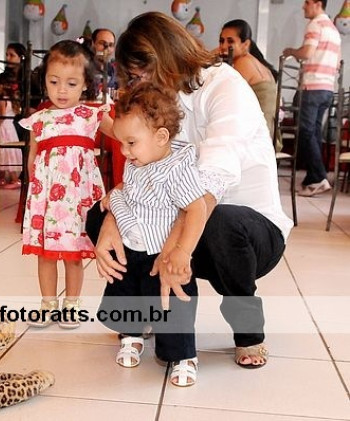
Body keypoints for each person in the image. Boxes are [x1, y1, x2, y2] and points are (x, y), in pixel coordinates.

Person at [89, 11, 293, 369]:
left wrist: (176, 248)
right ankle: (144, 313)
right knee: (100, 215)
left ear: (164, 57)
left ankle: (248, 332)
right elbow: (144, 174)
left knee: (220, 222)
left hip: (247, 233)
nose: (138, 85)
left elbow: (210, 187)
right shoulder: (161, 104)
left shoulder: (225, 87)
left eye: (141, 74)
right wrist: (112, 221)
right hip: (187, 219)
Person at [95, 82, 207, 386]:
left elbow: (197, 209)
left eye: (131, 142)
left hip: (162, 253)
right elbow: (133, 190)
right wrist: (116, 195)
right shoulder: (138, 160)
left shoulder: (177, 169)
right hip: (133, 246)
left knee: (171, 303)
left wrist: (182, 251)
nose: (124, 151)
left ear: (161, 137)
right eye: (121, 142)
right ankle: (131, 334)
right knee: (127, 291)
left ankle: (184, 355)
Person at [19, 40, 115, 329]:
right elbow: (33, 157)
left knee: (73, 255)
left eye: (71, 83)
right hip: (47, 199)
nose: (62, 90)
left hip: (76, 199)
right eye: (54, 82)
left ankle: (72, 304)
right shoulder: (39, 119)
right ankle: (48, 303)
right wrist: (34, 194)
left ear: (85, 84)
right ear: (44, 81)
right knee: (45, 255)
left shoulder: (91, 115)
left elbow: (124, 133)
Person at [283, 0, 341, 197]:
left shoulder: (315, 25)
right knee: (314, 132)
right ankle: (311, 179)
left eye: (307, 2)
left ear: (317, 3)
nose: (303, 6)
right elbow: (337, 64)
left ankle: (319, 177)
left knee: (306, 132)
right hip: (327, 88)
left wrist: (291, 52)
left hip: (313, 86)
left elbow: (307, 53)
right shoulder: (333, 29)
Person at [217, 19, 281, 149]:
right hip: (268, 134)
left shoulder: (243, 62)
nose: (223, 46)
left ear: (245, 44)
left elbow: (226, 97)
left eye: (230, 41)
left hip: (257, 138)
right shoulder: (256, 62)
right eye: (221, 41)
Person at [0, 43, 26, 188]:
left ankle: (13, 179)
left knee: (4, 152)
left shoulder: (2, 100)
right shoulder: (12, 100)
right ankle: (3, 177)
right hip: (10, 129)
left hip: (2, 129)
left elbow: (1, 117)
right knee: (6, 153)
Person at [90, 28, 118, 100]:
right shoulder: (83, 68)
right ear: (93, 44)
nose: (107, 48)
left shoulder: (115, 72)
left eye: (111, 45)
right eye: (102, 43)